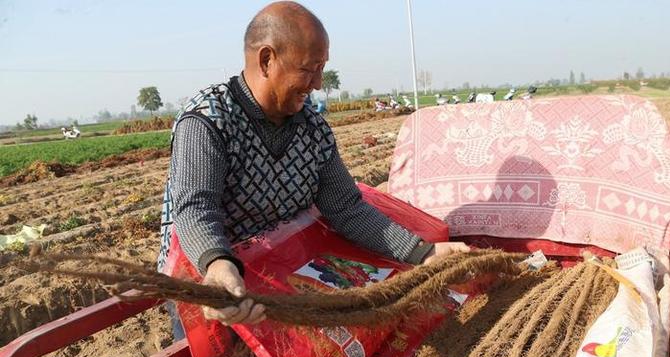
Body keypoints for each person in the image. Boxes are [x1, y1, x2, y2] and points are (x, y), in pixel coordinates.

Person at [158, 1, 469, 338]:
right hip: (214, 276)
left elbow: (347, 208)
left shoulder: (312, 130)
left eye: (322, 68)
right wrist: (218, 264)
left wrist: (424, 253)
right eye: (309, 68)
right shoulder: (208, 120)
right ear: (267, 60)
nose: (318, 83)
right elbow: (195, 208)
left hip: (276, 273)